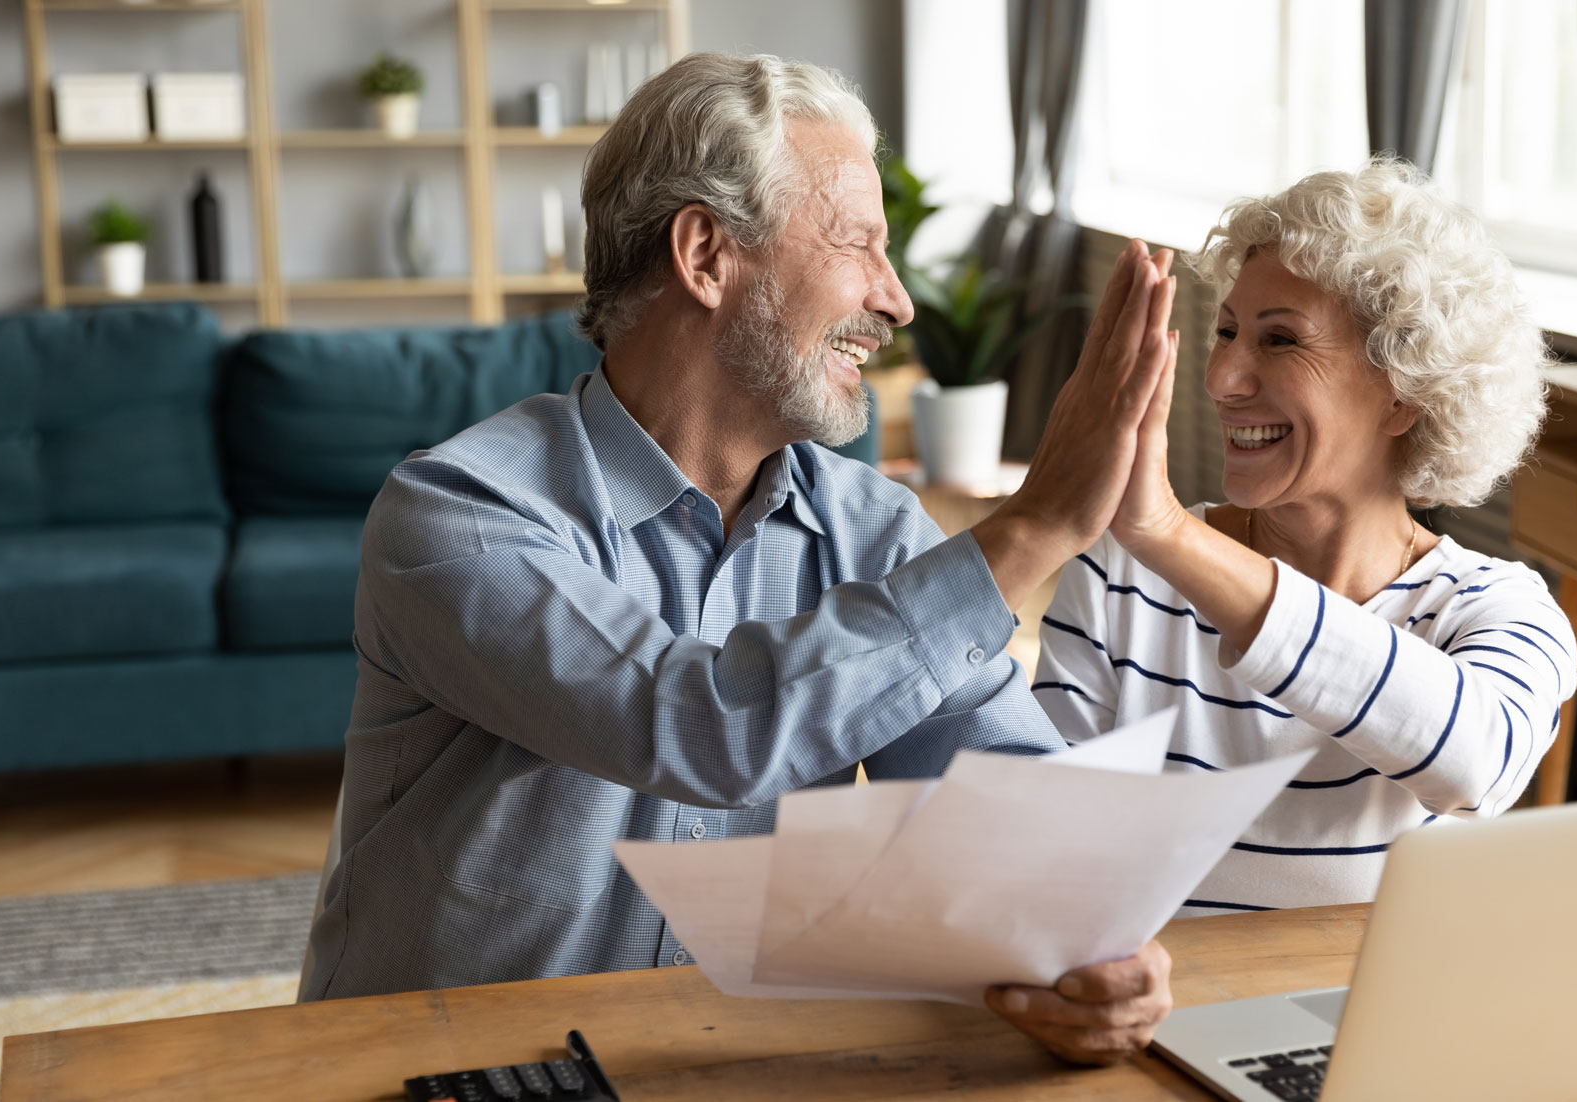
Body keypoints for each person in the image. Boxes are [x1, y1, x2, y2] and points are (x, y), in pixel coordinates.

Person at [300, 52, 1179, 1065]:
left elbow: (999, 796)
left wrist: (1086, 940)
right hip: (439, 1074)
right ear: (705, 254)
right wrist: (1029, 529)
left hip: (711, 1066)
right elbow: (696, 724)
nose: (894, 303)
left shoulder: (874, 531)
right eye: (859, 244)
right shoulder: (458, 514)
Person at [1033, 159, 1576, 915]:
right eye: (1225, 332)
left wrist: (1169, 535)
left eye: (1280, 341)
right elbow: (1044, 848)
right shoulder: (1124, 572)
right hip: (1158, 1014)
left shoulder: (1495, 609)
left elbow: (1475, 764)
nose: (1223, 377)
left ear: (1405, 394)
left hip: (1379, 1022)